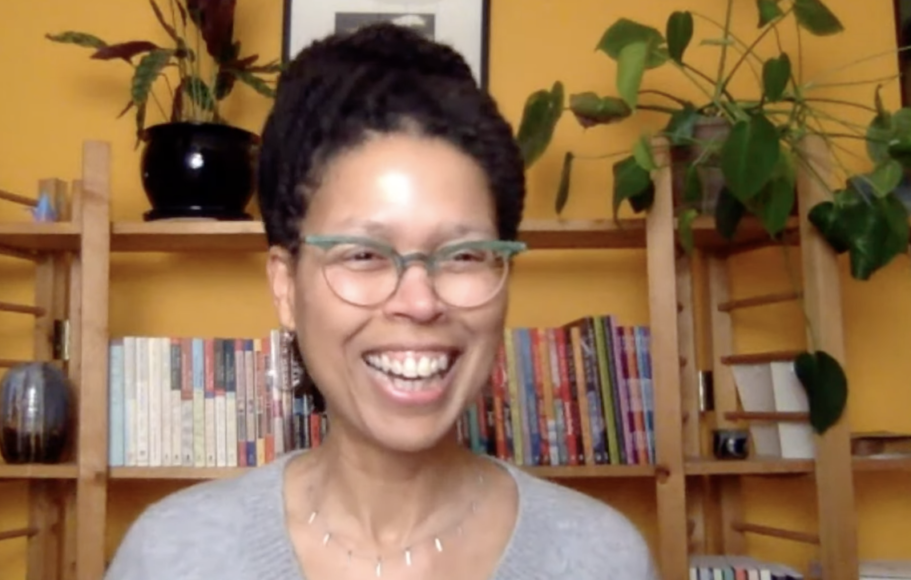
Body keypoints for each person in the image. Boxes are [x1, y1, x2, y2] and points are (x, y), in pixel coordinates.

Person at [104, 22, 659, 580]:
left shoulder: (602, 559)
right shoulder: (171, 555)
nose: (419, 304)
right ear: (285, 286)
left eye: (464, 255)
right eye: (363, 254)